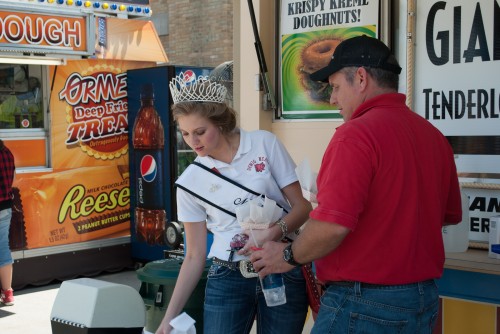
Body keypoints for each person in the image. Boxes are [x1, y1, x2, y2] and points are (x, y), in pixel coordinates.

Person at [250, 35, 462, 333]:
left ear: (361, 78)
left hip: (364, 304)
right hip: (422, 299)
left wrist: (286, 256)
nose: (333, 99)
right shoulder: (433, 136)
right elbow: (448, 215)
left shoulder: (355, 135)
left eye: (336, 87)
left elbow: (333, 225)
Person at [155, 73, 312, 334]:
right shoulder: (189, 182)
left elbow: (303, 208)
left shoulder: (264, 143)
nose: (193, 142)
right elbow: (193, 255)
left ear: (220, 122)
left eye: (200, 132)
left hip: (280, 264)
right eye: (185, 133)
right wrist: (167, 319)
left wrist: (271, 233)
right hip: (227, 274)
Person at [0, 138, 15, 306]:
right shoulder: (7, 153)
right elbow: (13, 178)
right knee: (3, 247)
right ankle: (8, 293)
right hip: (4, 208)